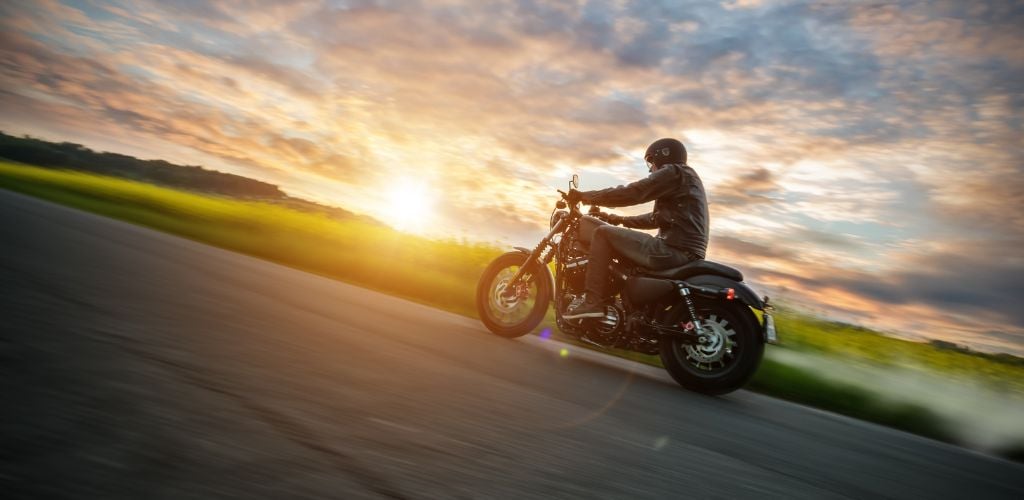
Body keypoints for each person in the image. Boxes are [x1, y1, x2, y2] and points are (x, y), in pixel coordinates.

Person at [562, 137, 709, 319]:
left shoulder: (674, 172)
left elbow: (633, 193)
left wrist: (586, 196)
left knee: (602, 233)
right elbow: (656, 219)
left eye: (651, 161)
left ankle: (592, 302)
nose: (650, 168)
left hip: (672, 250)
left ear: (663, 155)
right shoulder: (685, 178)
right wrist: (616, 219)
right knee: (612, 235)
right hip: (682, 251)